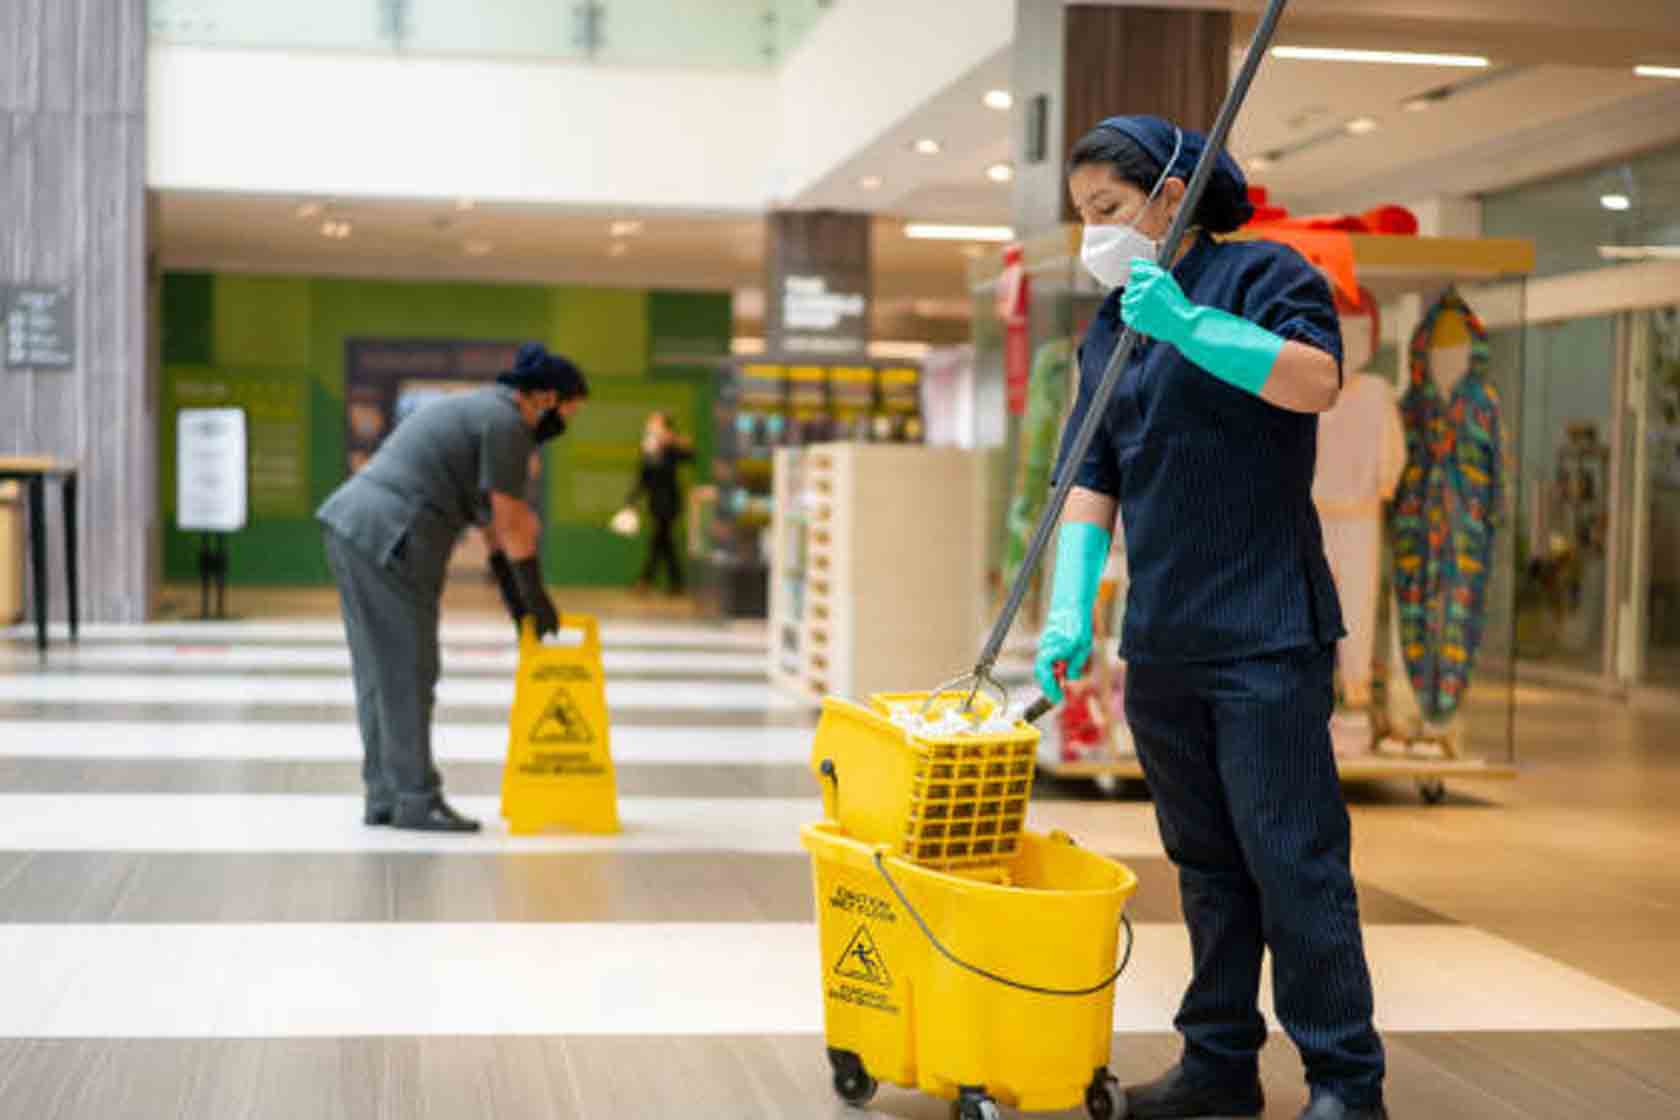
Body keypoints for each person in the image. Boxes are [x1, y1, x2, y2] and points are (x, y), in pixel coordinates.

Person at [1036, 115, 1387, 1120]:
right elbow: (1091, 479)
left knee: (1294, 859)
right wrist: (1069, 611)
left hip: (1267, 629)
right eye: (1083, 216)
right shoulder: (1109, 326)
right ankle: (1220, 1063)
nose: (1095, 233)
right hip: (1165, 641)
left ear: (1172, 192)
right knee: (1205, 864)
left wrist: (1193, 327)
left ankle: (1345, 1085)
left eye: (1108, 209)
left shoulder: (1263, 276)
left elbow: (1314, 381)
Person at [318, 343, 587, 833]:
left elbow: (490, 527)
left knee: (380, 671)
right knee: (409, 667)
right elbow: (512, 522)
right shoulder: (509, 425)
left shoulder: (482, 410)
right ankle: (416, 798)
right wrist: (538, 600)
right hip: (393, 533)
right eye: (569, 410)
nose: (566, 422)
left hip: (354, 525)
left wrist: (514, 600)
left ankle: (385, 794)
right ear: (546, 397)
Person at [625, 410, 694, 595]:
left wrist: (673, 441)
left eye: (656, 423)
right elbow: (643, 477)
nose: (652, 427)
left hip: (670, 502)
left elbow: (689, 455)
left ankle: (646, 581)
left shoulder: (671, 447)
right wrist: (631, 499)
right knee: (663, 542)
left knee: (659, 540)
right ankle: (674, 582)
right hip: (655, 502)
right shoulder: (649, 449)